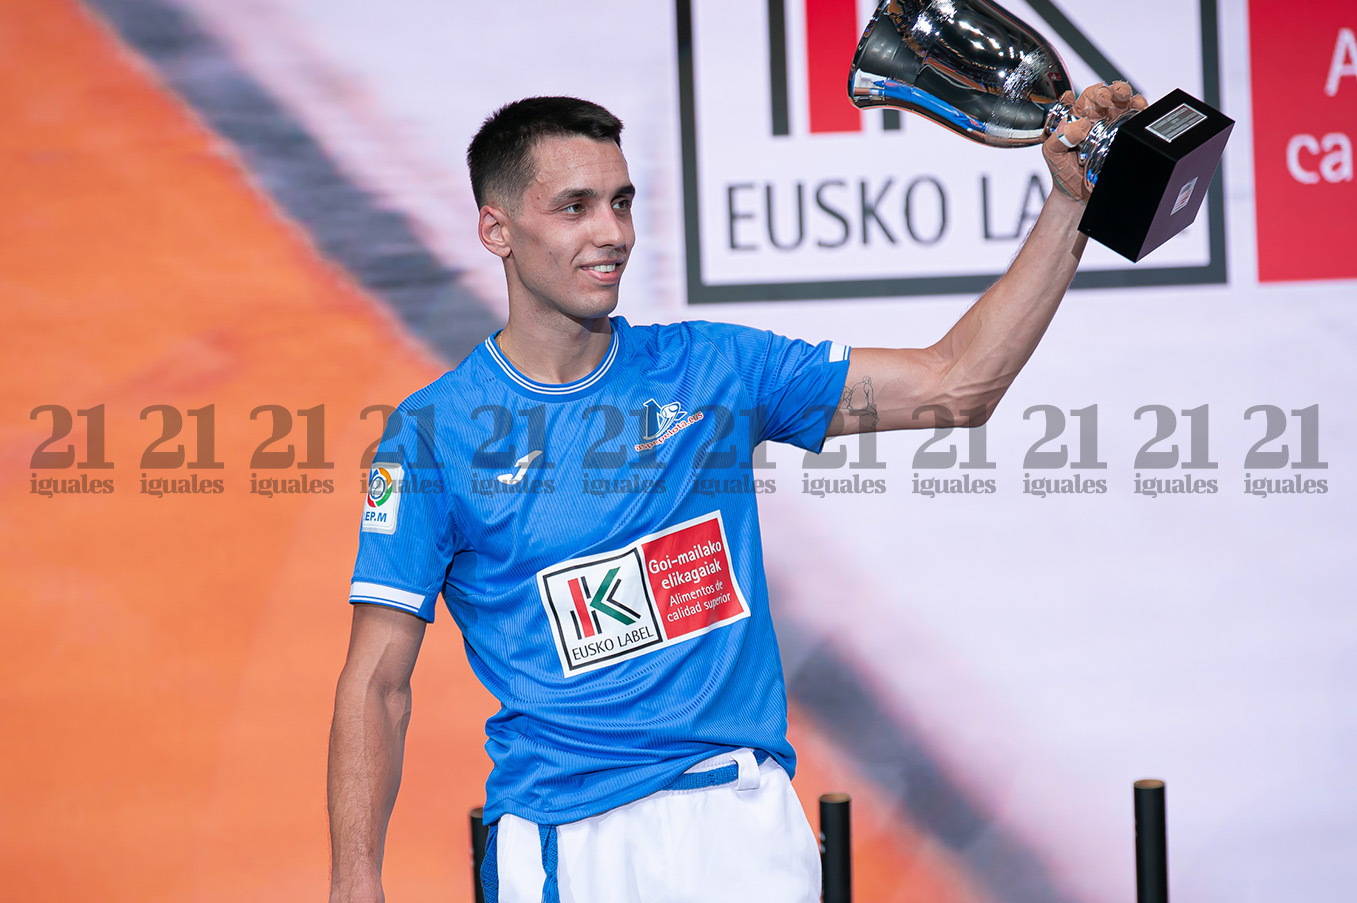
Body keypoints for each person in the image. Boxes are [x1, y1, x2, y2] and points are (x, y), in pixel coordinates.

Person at [328, 86, 1145, 903]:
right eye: (574, 207)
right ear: (496, 229)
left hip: (744, 827)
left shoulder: (715, 368)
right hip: (566, 843)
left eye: (620, 202)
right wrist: (354, 880)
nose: (611, 232)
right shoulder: (432, 435)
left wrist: (1071, 203)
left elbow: (955, 385)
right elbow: (376, 683)